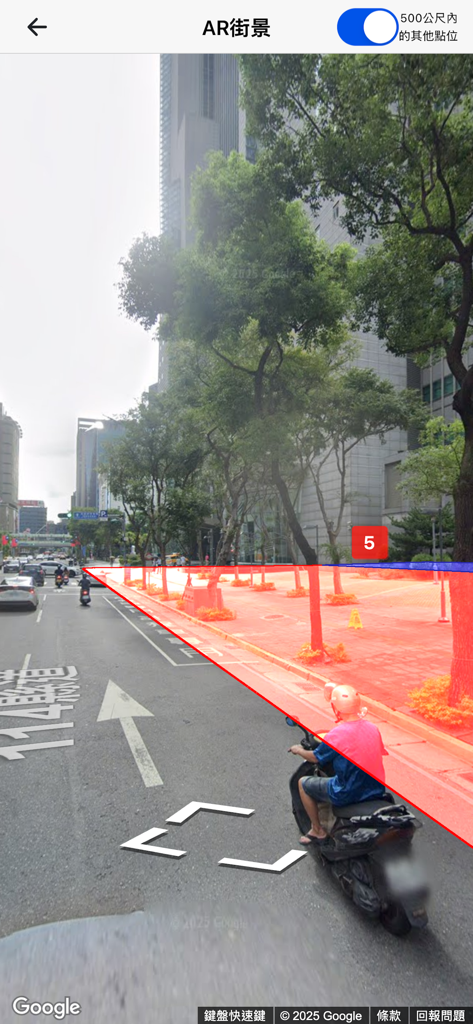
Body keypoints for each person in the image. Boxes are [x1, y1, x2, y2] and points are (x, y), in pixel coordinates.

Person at [289, 684, 388, 846]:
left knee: (302, 783)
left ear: (336, 708)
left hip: (347, 791)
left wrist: (298, 750)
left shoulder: (337, 734)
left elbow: (315, 758)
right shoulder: (373, 728)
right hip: (375, 788)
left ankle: (317, 830)